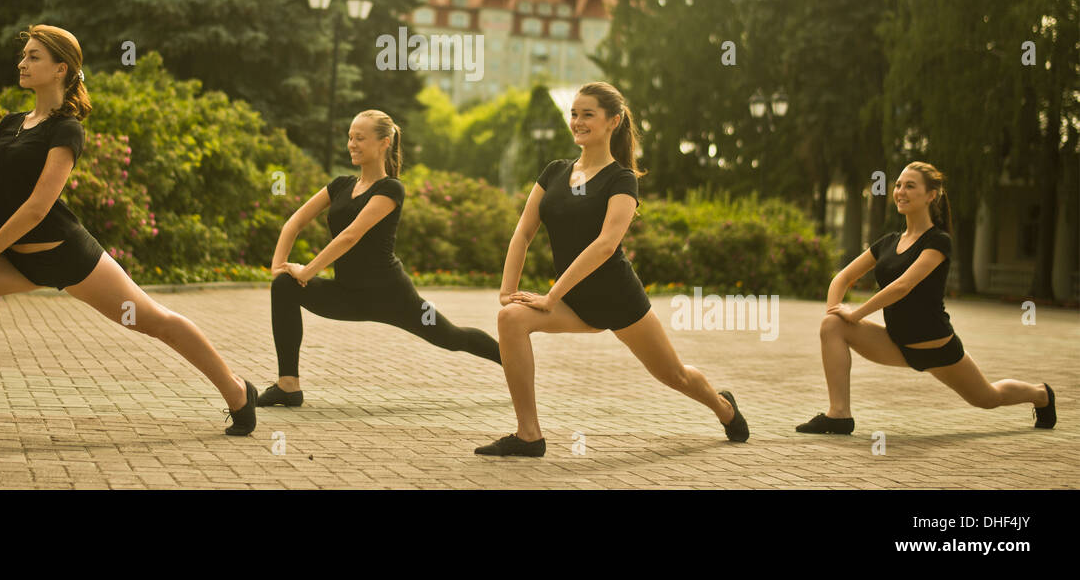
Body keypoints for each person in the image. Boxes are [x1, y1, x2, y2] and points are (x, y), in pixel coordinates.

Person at [0, 24, 257, 437]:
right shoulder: (8, 125)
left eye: (34, 56)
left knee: (152, 319)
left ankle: (237, 393)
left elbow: (39, 207)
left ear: (60, 69)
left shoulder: (66, 128)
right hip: (17, 261)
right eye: (23, 55)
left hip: (67, 255)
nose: (22, 63)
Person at [475, 81, 748, 456]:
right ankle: (529, 435)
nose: (578, 121)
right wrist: (508, 290)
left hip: (617, 298)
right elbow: (523, 231)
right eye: (574, 113)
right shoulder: (554, 172)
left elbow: (605, 246)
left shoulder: (622, 179)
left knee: (674, 375)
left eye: (588, 114)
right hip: (572, 299)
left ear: (612, 121)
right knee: (511, 318)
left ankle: (723, 407)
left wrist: (551, 295)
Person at [256, 109, 502, 407]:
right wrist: (278, 266)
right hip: (347, 294)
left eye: (360, 138)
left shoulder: (391, 189)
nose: (352, 144)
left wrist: (307, 271)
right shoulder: (340, 185)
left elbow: (350, 236)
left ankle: (512, 361)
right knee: (283, 287)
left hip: (391, 295)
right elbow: (294, 222)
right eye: (350, 137)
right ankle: (288, 386)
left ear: (384, 143)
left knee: (451, 338)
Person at [796, 161, 1056, 434]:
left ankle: (1041, 394)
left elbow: (903, 286)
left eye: (910, 186)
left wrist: (856, 314)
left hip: (936, 347)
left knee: (988, 398)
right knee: (832, 326)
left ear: (931, 195)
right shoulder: (888, 242)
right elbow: (843, 277)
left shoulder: (938, 241)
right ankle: (839, 415)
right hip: (896, 344)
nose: (900, 191)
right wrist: (834, 310)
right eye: (897, 185)